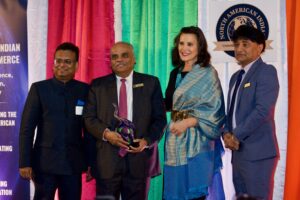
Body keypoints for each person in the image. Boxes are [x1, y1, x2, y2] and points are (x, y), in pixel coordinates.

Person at [83, 41, 166, 200]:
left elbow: (160, 119)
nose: (119, 59)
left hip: (139, 162)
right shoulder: (97, 86)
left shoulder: (151, 83)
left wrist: (146, 141)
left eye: (124, 55)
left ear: (134, 59)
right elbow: (88, 118)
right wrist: (107, 134)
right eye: (114, 57)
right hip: (107, 163)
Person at [19, 42, 89, 200]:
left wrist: (90, 162)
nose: (62, 65)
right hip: (44, 164)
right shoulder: (39, 89)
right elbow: (27, 129)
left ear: (76, 65)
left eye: (67, 61)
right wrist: (25, 161)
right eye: (58, 61)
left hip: (73, 164)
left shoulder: (84, 90)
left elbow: (89, 130)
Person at [164, 26, 226, 200]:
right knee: (175, 193)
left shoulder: (208, 74)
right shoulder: (174, 73)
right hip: (175, 140)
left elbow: (216, 110)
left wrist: (189, 122)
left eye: (190, 44)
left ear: (200, 47)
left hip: (199, 140)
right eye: (181, 43)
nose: (184, 48)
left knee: (194, 194)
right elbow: (169, 104)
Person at [223, 25, 279, 200]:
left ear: (260, 47)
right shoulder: (235, 77)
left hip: (258, 154)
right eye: (237, 44)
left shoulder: (266, 72)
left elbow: (263, 111)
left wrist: (236, 135)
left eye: (245, 44)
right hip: (238, 153)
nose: (239, 49)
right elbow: (230, 112)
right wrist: (226, 134)